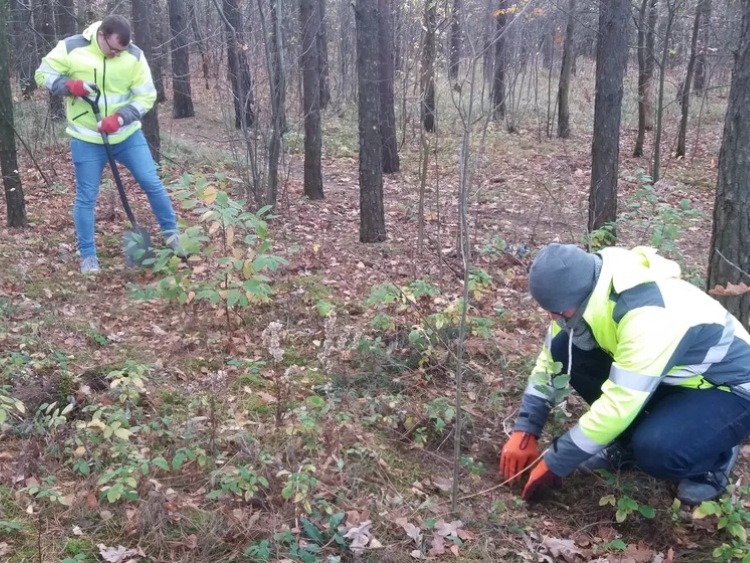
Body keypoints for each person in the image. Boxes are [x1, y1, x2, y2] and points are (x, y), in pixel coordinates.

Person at [499, 243, 750, 505]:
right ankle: (628, 444)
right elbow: (550, 364)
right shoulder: (583, 294)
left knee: (657, 450)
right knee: (564, 347)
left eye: (558, 310)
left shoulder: (647, 315)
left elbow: (619, 404)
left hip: (727, 389)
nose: (553, 317)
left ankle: (712, 459)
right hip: (671, 376)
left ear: (579, 296)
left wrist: (555, 462)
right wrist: (525, 430)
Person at [35, 14, 181, 275]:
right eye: (113, 49)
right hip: (87, 139)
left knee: (151, 182)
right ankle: (88, 257)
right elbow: (42, 74)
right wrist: (68, 85)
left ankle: (173, 236)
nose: (117, 54)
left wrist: (121, 117)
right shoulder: (71, 47)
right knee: (86, 197)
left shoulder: (134, 56)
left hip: (127, 136)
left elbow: (147, 96)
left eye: (121, 50)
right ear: (101, 36)